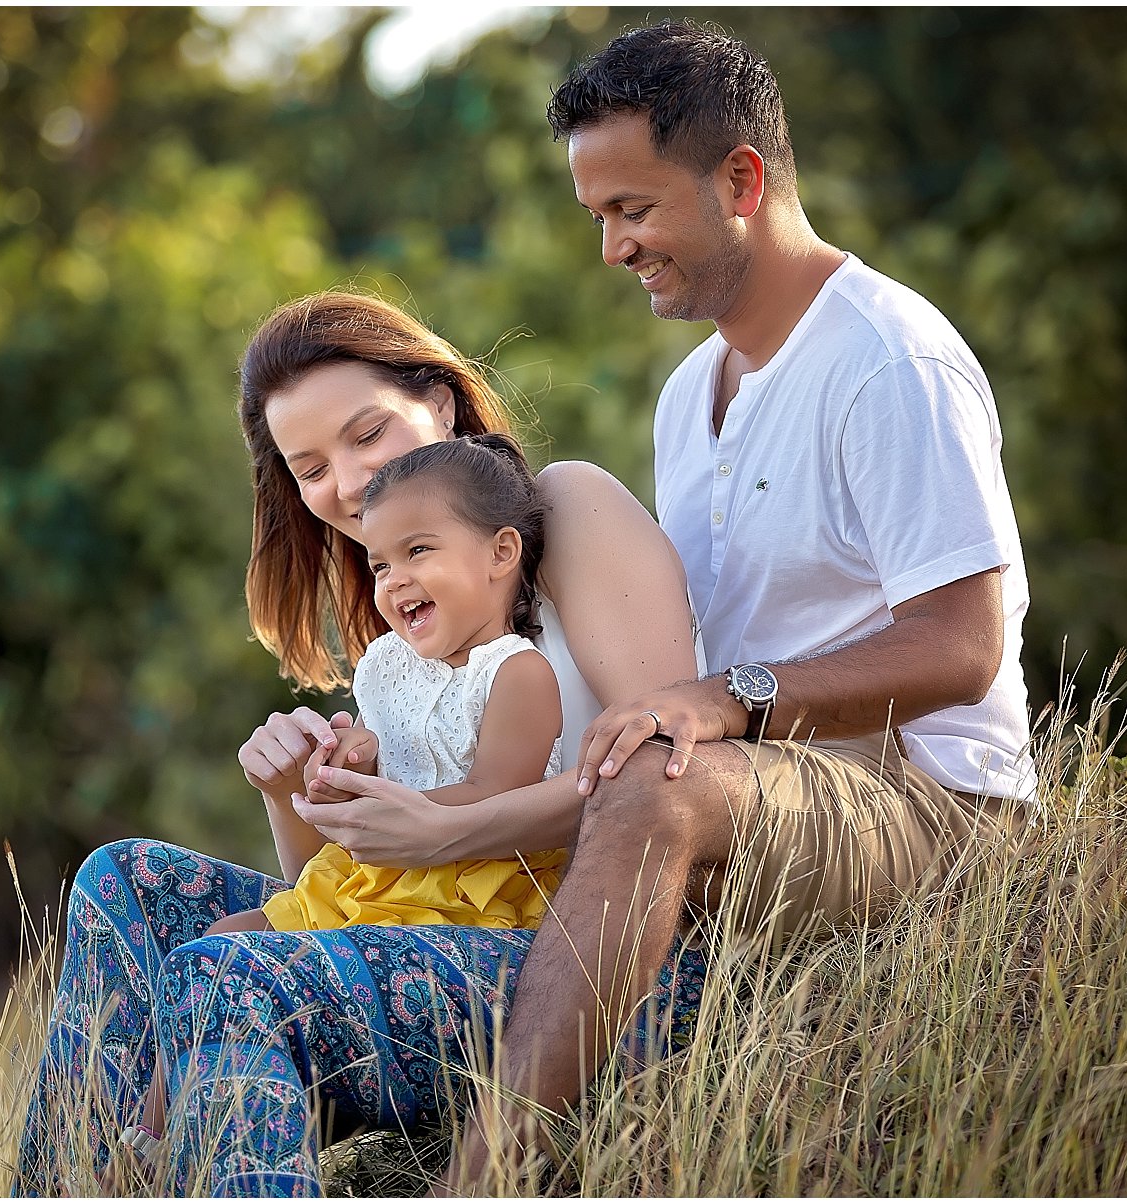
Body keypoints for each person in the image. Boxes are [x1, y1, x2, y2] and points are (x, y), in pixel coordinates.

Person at [440, 20, 1042, 1186]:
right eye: (597, 216)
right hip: (776, 795)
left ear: (741, 180)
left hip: (938, 812)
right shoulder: (687, 395)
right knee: (625, 779)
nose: (612, 247)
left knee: (662, 784)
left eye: (632, 209)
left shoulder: (888, 361)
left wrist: (725, 699)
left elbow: (966, 647)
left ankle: (491, 1176)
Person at [13, 292, 708, 1197]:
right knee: (126, 882)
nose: (341, 484)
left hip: (591, 958)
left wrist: (441, 827)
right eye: (308, 468)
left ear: (445, 404)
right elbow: (349, 884)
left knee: (228, 972)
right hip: (431, 928)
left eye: (366, 434)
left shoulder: (565, 508)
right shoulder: (404, 626)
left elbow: (670, 772)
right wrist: (297, 793)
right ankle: (78, 1186)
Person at [208, 433, 567, 936]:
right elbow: (375, 764)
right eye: (380, 565)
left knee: (243, 957)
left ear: (501, 553)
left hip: (466, 893)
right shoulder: (384, 664)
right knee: (225, 937)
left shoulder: (515, 671)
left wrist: (378, 808)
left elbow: (497, 798)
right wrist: (347, 765)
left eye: (418, 550)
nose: (393, 579)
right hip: (379, 874)